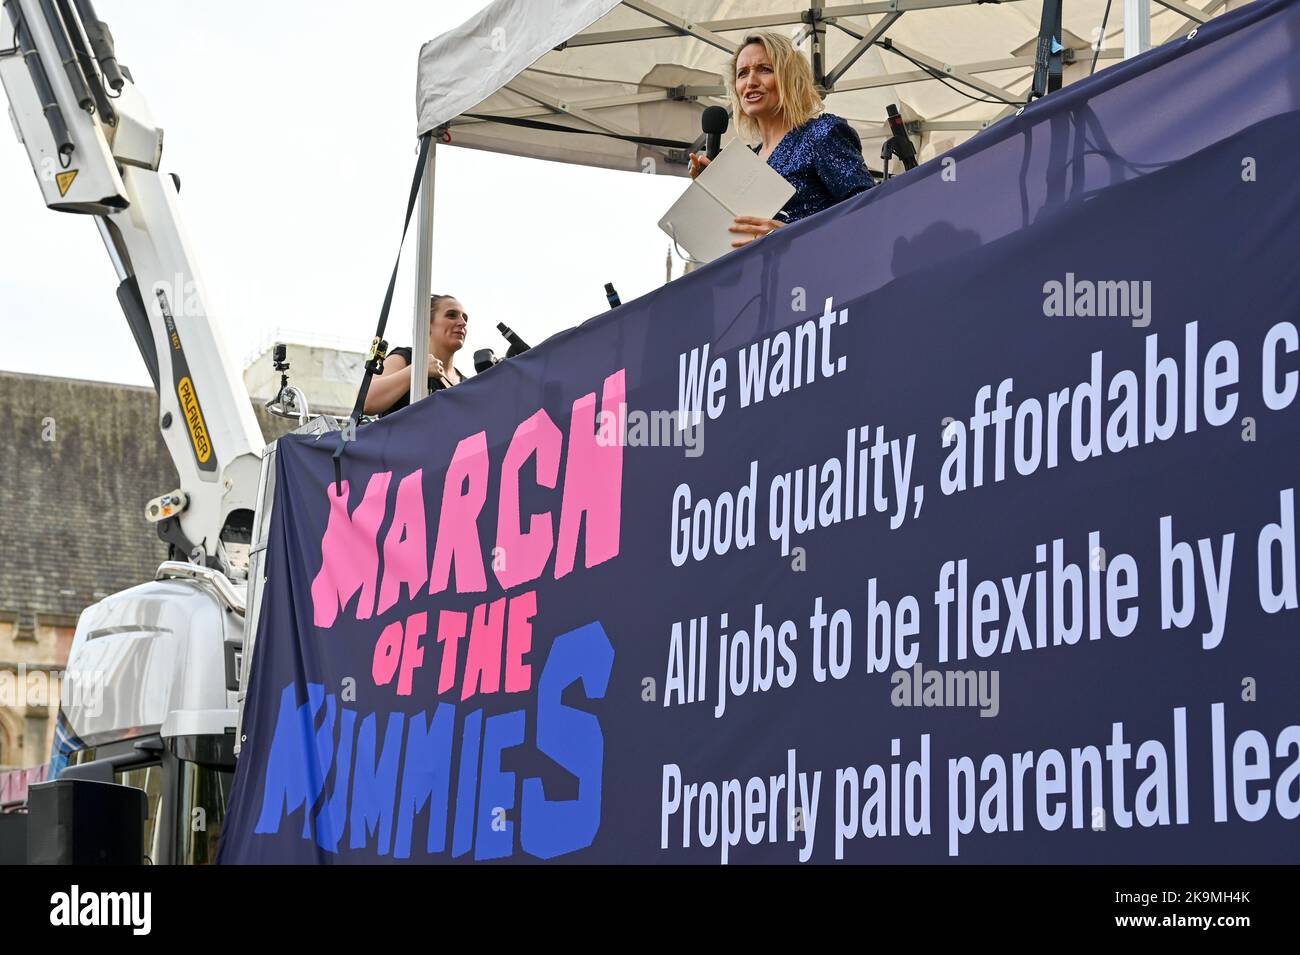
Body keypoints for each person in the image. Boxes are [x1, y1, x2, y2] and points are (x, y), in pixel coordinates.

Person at [689, 31, 875, 248]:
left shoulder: (822, 134)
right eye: (742, 74)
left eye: (764, 69)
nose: (750, 82)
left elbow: (870, 212)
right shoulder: (750, 159)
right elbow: (738, 232)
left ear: (790, 78)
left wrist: (793, 234)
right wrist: (713, 189)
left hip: (819, 277)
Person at [364, 293, 469, 417]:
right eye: (451, 315)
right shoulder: (406, 358)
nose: (462, 323)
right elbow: (366, 401)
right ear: (427, 323)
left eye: (465, 318)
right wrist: (418, 368)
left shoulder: (466, 384)